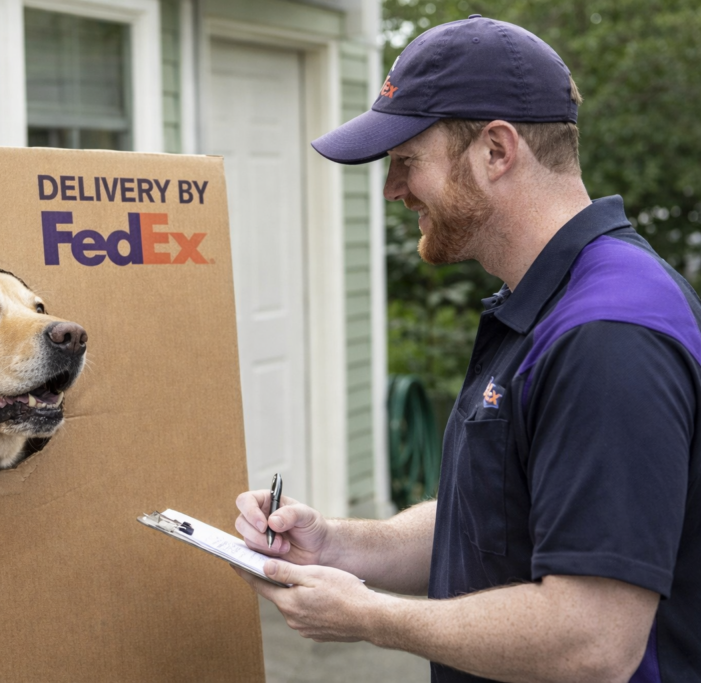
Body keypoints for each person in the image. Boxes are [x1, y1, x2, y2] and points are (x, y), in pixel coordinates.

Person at [232, 14, 701, 683]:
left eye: (407, 161)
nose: (393, 189)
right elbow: (493, 520)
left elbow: (592, 639)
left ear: (496, 151)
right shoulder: (547, 306)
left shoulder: (608, 332)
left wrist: (371, 617)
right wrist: (337, 545)